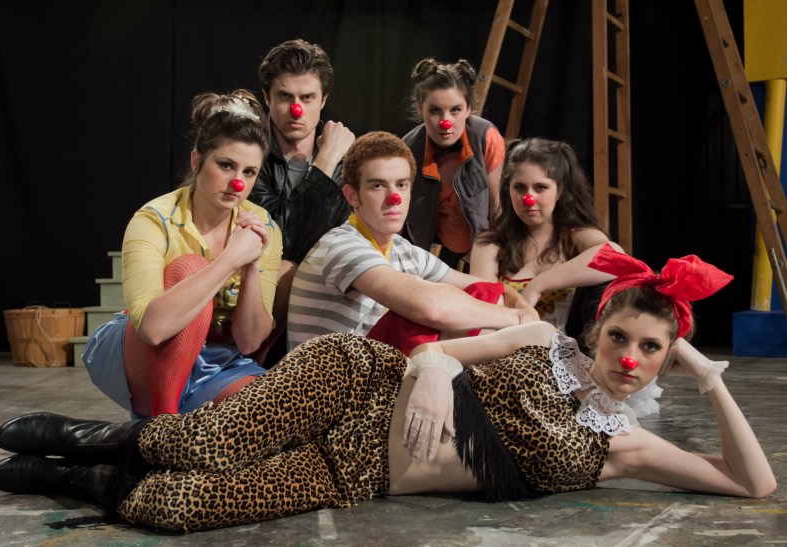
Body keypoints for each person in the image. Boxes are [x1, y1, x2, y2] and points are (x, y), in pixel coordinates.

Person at [0, 245, 776, 533]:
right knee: (206, 440)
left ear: (666, 358)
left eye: (650, 349)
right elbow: (442, 350)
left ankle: (76, 478)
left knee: (180, 506)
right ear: (598, 328)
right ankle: (79, 435)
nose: (630, 358)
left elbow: (753, 484)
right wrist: (432, 367)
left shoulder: (624, 447)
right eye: (620, 337)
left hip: (358, 470)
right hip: (357, 383)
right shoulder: (540, 340)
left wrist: (710, 379)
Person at [81, 89, 282, 418]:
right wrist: (230, 259)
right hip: (145, 353)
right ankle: (163, 427)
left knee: (270, 409)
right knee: (191, 267)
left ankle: (170, 433)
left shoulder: (262, 227)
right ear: (196, 161)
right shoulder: (153, 219)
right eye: (226, 165)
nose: (238, 183)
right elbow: (153, 328)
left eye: (249, 172)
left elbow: (249, 343)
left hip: (217, 365)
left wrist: (251, 265)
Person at [286, 131, 537, 352]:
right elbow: (432, 308)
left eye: (401, 185)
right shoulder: (340, 244)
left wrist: (522, 307)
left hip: (374, 376)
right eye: (378, 186)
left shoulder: (404, 250)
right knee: (428, 316)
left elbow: (490, 290)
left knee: (484, 297)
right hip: (329, 385)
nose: (394, 197)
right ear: (352, 196)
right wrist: (517, 319)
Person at [249, 39, 355, 362]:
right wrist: (325, 163)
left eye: (307, 98)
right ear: (267, 97)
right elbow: (280, 241)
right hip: (266, 293)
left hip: (334, 284)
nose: (297, 109)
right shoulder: (248, 154)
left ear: (323, 100)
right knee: (287, 269)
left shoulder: (350, 161)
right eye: (285, 96)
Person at [471, 137, 622, 332]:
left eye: (540, 187)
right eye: (520, 187)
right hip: (505, 344)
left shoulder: (575, 237)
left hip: (568, 348)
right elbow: (482, 316)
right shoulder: (490, 244)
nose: (528, 198)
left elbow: (615, 257)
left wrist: (538, 285)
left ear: (559, 191)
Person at [401, 58, 506, 269]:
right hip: (426, 250)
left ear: (468, 109)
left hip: (483, 243)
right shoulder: (407, 150)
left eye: (455, 110)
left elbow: (497, 211)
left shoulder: (485, 138)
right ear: (420, 108)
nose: (445, 122)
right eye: (435, 110)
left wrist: (496, 265)